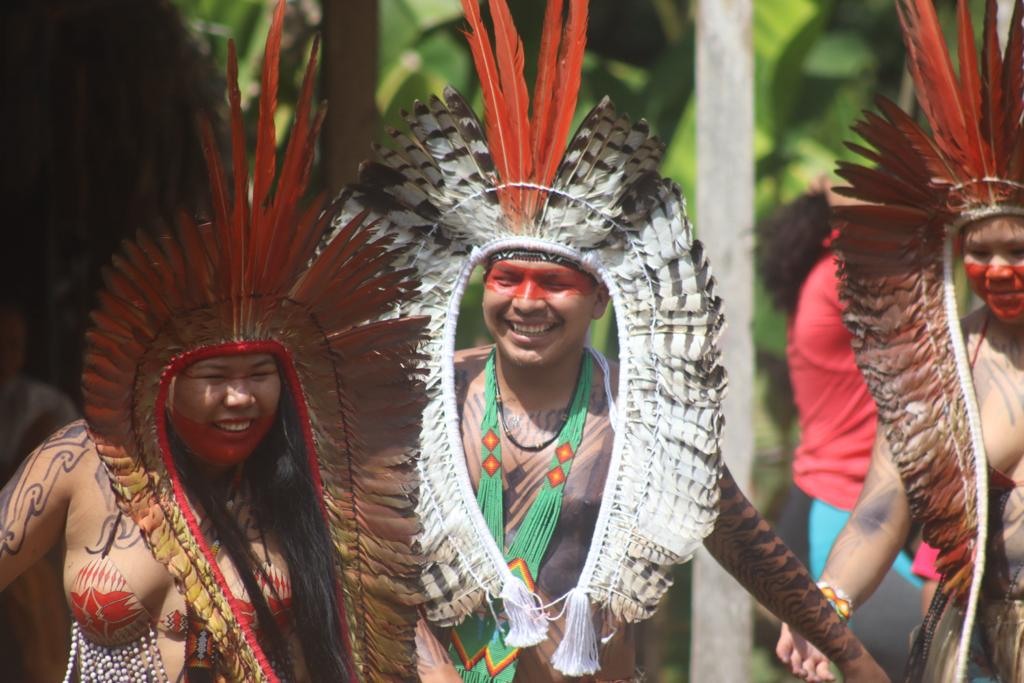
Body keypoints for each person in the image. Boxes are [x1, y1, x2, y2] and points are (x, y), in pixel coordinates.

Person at [349, 0, 888, 680]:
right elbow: (367, 559)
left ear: (601, 293)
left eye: (553, 281)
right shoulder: (421, 403)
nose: (525, 301)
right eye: (507, 276)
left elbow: (734, 531)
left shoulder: (641, 416)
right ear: (480, 284)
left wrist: (852, 654)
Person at [0, 2, 425, 679]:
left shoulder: (314, 477)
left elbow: (404, 642)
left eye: (258, 371)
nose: (239, 398)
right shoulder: (81, 462)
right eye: (213, 375)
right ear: (160, 375)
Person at [776, 0, 1024, 680]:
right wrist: (828, 600)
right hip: (974, 641)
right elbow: (883, 503)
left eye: (1019, 250)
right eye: (982, 251)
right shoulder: (938, 364)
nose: (998, 270)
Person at [759, 183, 922, 678]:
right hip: (845, 514)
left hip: (820, 503)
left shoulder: (817, 273)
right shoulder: (843, 274)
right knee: (941, 651)